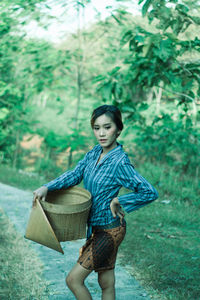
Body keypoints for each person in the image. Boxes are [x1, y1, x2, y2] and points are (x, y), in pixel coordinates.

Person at [33, 105, 158, 300]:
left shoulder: (120, 162)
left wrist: (120, 200)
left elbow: (149, 192)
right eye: (96, 127)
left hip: (110, 231)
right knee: (106, 282)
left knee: (73, 280)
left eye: (107, 127)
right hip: (96, 228)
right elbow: (75, 174)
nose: (101, 133)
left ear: (118, 129)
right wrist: (47, 187)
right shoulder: (94, 153)